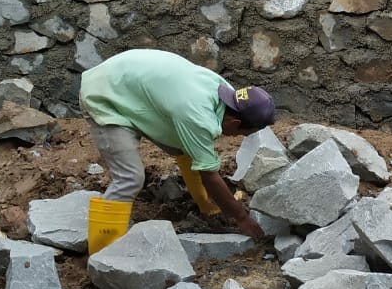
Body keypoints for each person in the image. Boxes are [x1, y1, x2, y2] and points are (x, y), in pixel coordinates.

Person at [79, 49, 275, 249]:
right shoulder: (197, 116)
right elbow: (209, 174)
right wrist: (241, 217)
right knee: (130, 178)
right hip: (105, 93)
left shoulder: (226, 93)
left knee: (188, 147)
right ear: (234, 123)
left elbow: (196, 152)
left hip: (129, 82)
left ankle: (210, 207)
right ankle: (101, 253)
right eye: (242, 133)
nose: (236, 137)